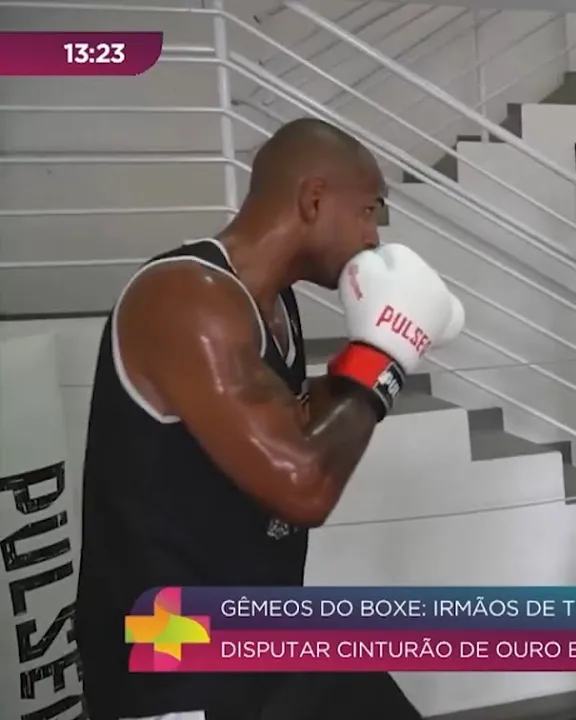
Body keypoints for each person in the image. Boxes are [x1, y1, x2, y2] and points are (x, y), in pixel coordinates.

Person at [74, 118, 464, 720]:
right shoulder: (186, 299)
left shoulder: (276, 306)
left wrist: (378, 348)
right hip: (172, 660)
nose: (374, 236)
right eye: (368, 212)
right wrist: (386, 351)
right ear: (313, 199)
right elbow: (301, 486)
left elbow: (295, 430)